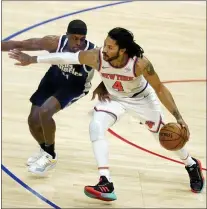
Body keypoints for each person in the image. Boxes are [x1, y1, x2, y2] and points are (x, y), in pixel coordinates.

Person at [8, 27, 204, 200]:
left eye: (110, 47)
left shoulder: (140, 64)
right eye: (105, 45)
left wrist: (178, 118)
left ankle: (191, 163)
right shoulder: (97, 56)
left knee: (163, 136)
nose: (105, 49)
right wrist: (33, 59)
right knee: (96, 126)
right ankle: (105, 182)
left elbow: (160, 89)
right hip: (115, 99)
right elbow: (67, 57)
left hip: (141, 100)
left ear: (123, 50)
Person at [2, 19, 101, 175]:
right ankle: (44, 150)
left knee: (45, 112)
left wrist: (103, 88)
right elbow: (21, 44)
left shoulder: (91, 53)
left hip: (74, 85)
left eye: (82, 39)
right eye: (74, 38)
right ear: (66, 35)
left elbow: (110, 73)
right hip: (54, 78)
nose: (78, 42)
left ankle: (51, 156)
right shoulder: (54, 42)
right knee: (33, 120)